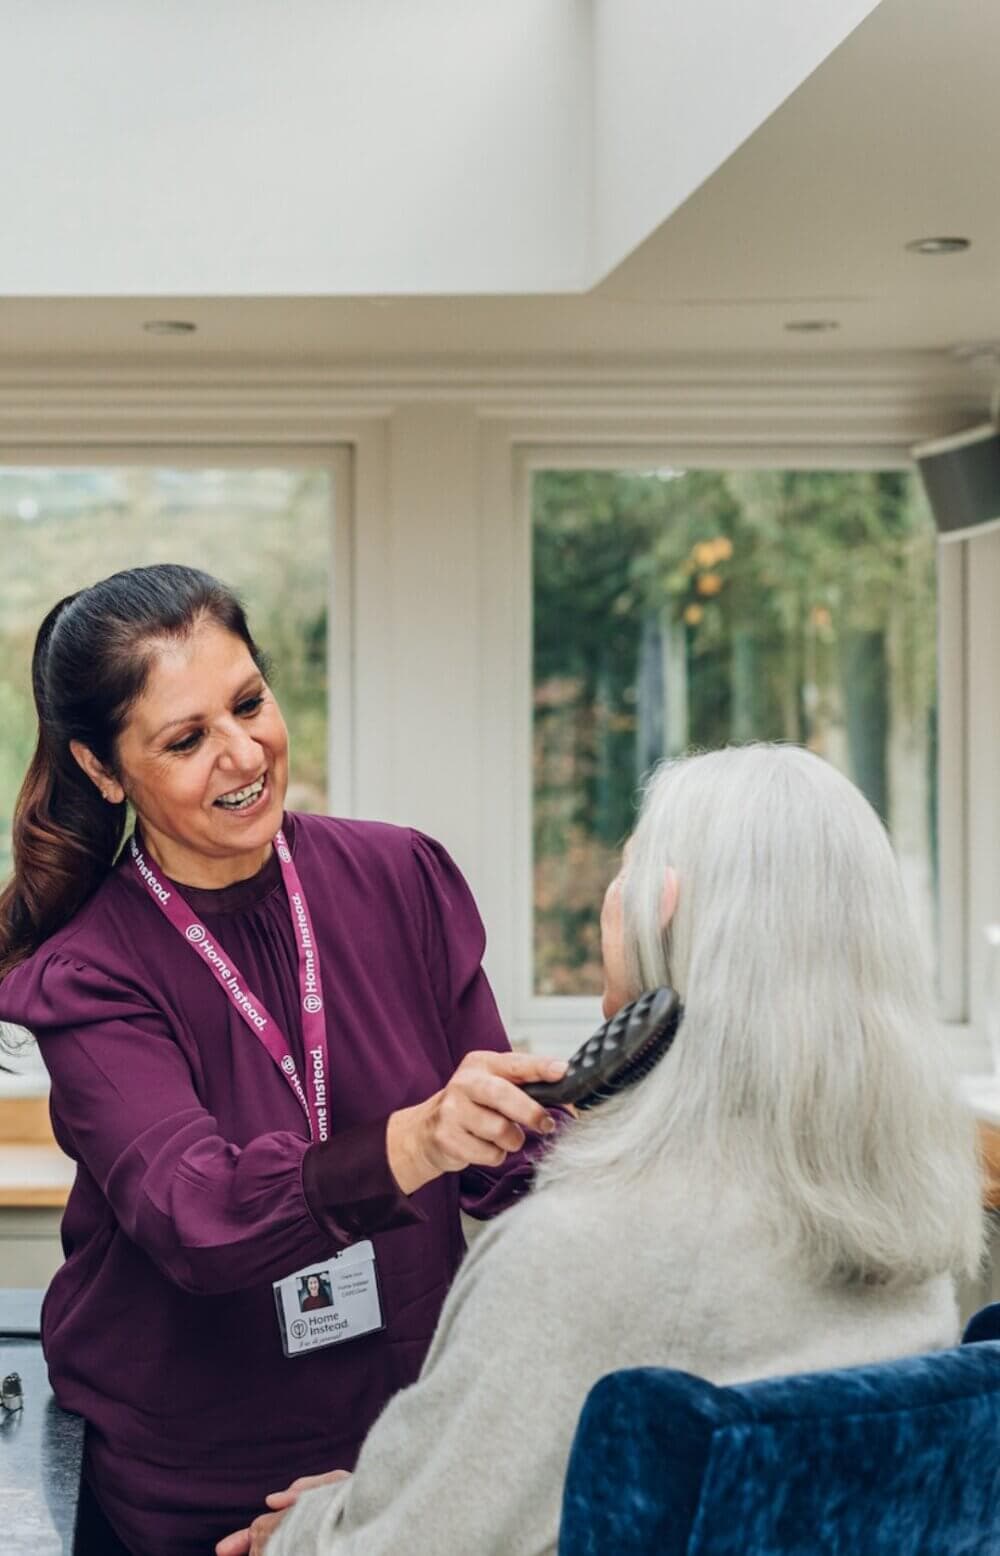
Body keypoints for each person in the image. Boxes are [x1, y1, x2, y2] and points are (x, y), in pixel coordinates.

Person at [218, 743, 984, 1556]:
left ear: (664, 909)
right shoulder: (914, 1240)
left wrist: (301, 1532)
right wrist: (381, 1494)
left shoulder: (574, 1255)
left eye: (625, 869)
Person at [0, 564, 567, 1556]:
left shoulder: (400, 875)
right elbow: (198, 1217)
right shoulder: (90, 969)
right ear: (102, 768)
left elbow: (512, 1171)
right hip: (196, 1487)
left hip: (401, 1457)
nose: (242, 751)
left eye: (249, 702)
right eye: (186, 738)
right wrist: (413, 1139)